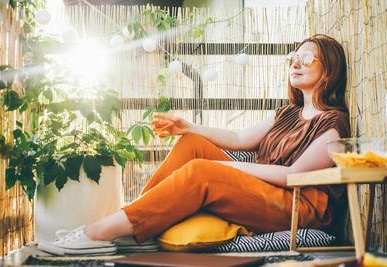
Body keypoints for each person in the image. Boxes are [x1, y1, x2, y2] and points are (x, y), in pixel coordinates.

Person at [37, 34, 350, 255]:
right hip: (266, 191)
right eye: (294, 56)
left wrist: (226, 167)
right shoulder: (287, 113)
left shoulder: (333, 126)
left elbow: (293, 175)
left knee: (204, 171)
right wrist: (189, 127)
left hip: (299, 208)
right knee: (192, 144)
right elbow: (241, 140)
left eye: (307, 58)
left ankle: (99, 233)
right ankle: (137, 222)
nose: (296, 62)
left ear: (330, 69)